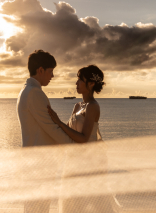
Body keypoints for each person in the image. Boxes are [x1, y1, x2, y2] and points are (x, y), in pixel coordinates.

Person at [48, 65, 118, 213]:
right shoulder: (77, 106)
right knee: (73, 201)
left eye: (80, 79)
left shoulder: (93, 106)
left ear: (91, 84)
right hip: (74, 160)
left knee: (96, 202)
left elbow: (84, 138)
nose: (76, 83)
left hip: (91, 161)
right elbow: (68, 132)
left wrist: (59, 122)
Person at [17, 50, 73, 213]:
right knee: (38, 208)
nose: (52, 76)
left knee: (34, 208)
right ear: (40, 70)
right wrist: (75, 145)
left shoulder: (26, 90)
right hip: (38, 163)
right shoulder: (34, 93)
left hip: (32, 160)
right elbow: (51, 127)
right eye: (50, 71)